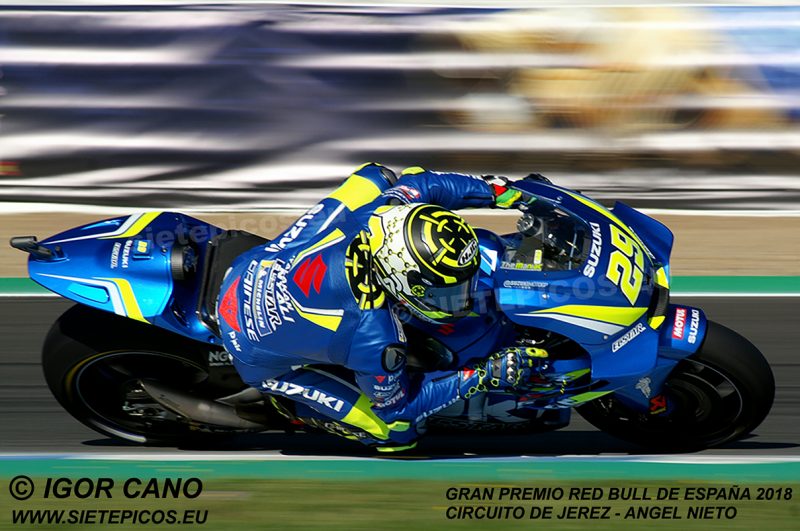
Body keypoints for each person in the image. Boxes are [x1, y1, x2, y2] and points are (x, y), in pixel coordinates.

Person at [216, 163, 545, 451]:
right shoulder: (375, 338)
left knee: (378, 176)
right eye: (449, 289)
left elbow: (425, 184)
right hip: (248, 346)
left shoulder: (380, 215)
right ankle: (292, 408)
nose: (465, 295)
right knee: (396, 433)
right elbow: (398, 406)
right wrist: (483, 375)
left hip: (257, 266)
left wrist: (500, 193)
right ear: (401, 281)